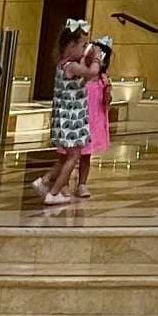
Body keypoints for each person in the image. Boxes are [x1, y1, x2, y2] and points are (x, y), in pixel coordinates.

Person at [34, 20, 101, 208]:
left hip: (65, 119)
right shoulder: (71, 67)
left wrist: (85, 58)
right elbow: (91, 73)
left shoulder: (63, 65)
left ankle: (44, 181)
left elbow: (80, 81)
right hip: (71, 121)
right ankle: (54, 193)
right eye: (82, 45)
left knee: (64, 157)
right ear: (71, 46)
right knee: (73, 156)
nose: (85, 49)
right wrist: (96, 59)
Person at [78, 31, 114, 198]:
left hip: (93, 122)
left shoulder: (103, 79)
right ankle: (62, 184)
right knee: (70, 156)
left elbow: (106, 102)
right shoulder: (83, 76)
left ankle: (82, 184)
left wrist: (108, 91)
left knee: (86, 156)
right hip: (79, 120)